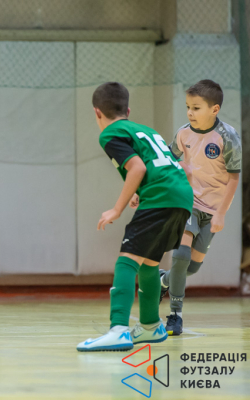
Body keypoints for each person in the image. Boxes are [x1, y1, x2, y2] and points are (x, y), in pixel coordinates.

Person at [77, 82, 193, 352]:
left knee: (127, 260)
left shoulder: (110, 133)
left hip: (161, 197)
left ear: (97, 112)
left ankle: (118, 330)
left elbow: (137, 168)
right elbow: (184, 169)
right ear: (127, 111)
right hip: (181, 197)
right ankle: (151, 326)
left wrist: (116, 209)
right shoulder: (147, 131)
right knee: (149, 262)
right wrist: (143, 192)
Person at [160, 80, 241, 336]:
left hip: (213, 209)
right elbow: (167, 163)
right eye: (188, 107)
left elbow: (234, 178)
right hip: (188, 202)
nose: (190, 113)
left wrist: (221, 213)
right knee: (181, 256)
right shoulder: (183, 134)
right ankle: (175, 315)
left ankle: (164, 280)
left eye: (196, 108)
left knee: (191, 268)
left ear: (214, 109)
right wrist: (147, 191)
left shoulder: (228, 137)